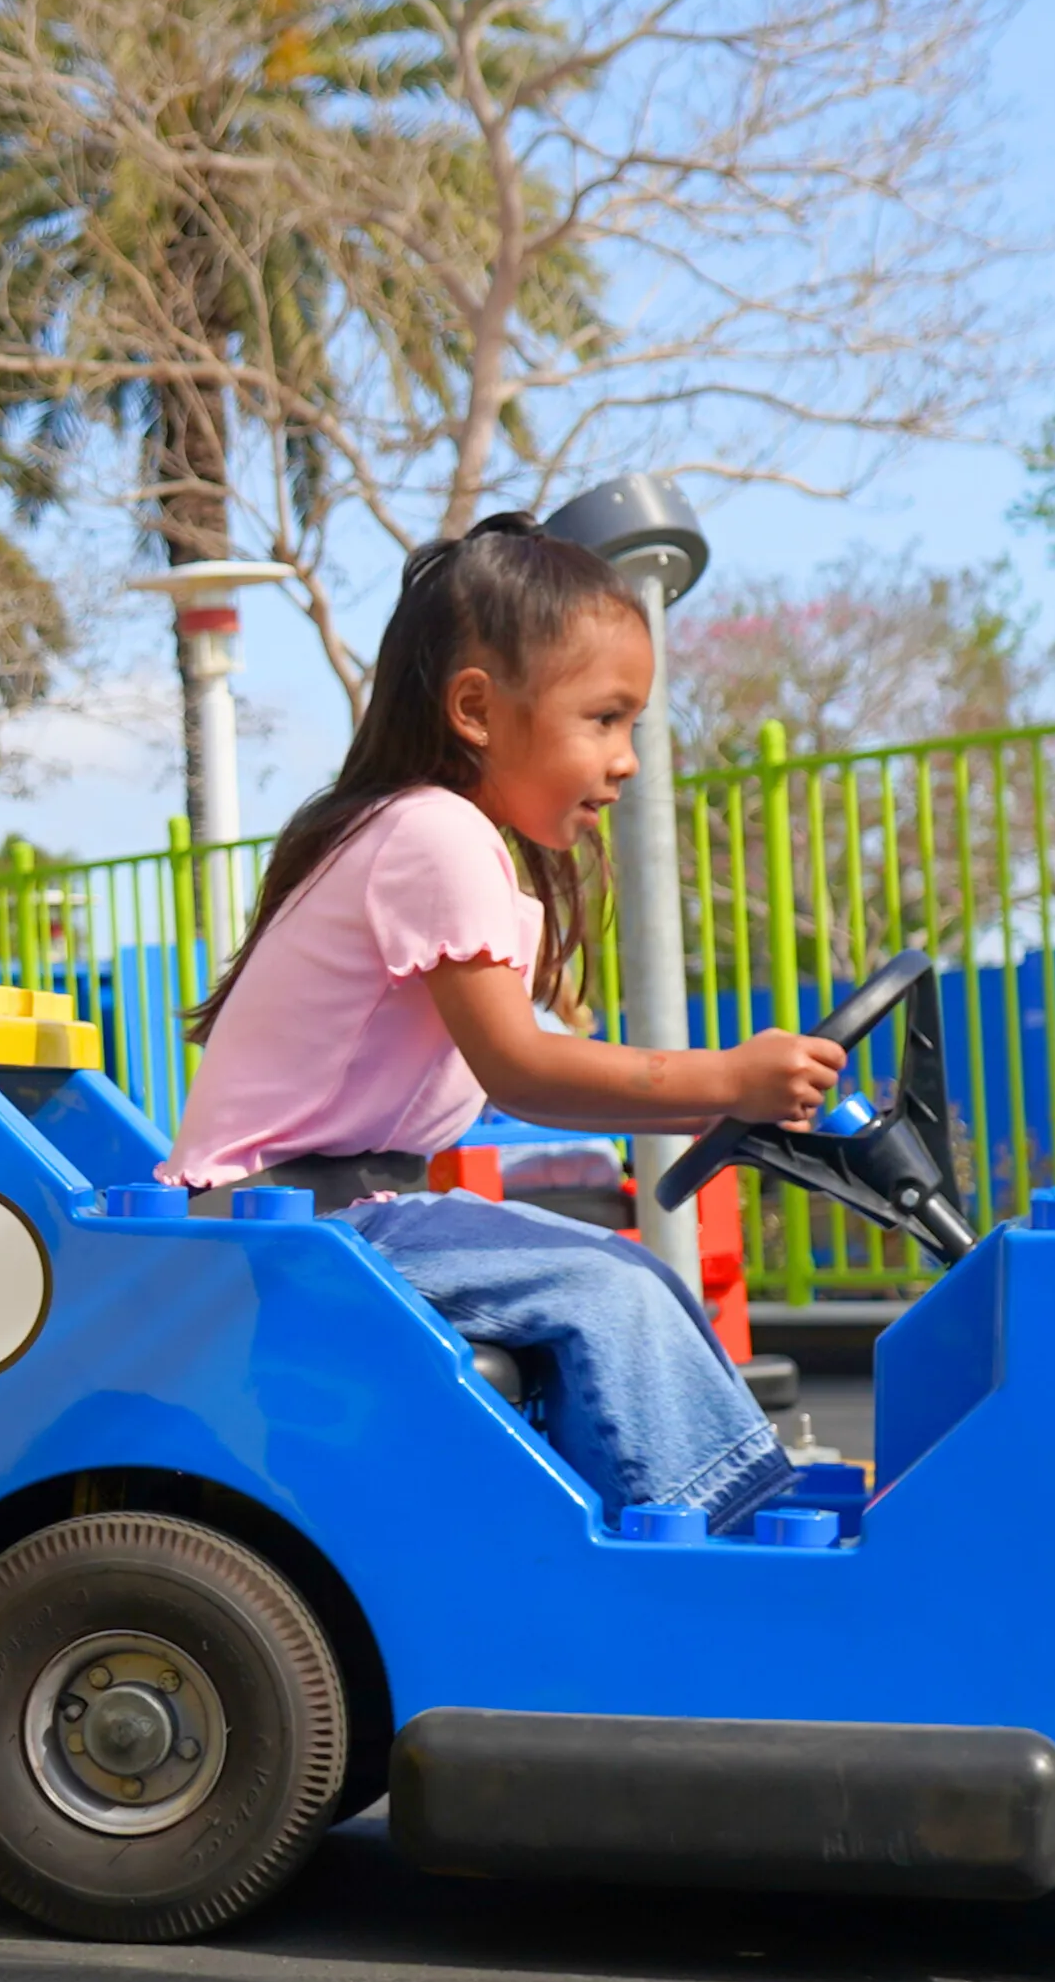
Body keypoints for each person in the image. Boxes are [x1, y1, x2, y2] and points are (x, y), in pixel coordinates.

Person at [165, 515, 842, 1528]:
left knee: (625, 1277)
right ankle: (719, 1552)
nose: (624, 760)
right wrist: (725, 1082)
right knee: (611, 1288)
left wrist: (720, 1102)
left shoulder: (423, 835)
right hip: (285, 1223)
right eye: (602, 719)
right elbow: (522, 1070)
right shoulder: (433, 835)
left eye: (631, 726)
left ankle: (694, 1523)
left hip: (326, 1212)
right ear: (476, 708)